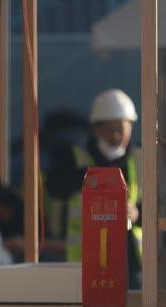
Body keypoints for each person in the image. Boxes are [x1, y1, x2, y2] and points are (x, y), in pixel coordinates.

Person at [46, 88, 143, 286]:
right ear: (96, 129)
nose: (116, 135)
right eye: (109, 129)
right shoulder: (74, 159)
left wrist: (136, 213)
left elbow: (161, 204)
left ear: (130, 127)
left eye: (121, 128)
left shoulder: (141, 160)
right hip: (86, 260)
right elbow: (54, 188)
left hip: (129, 261)